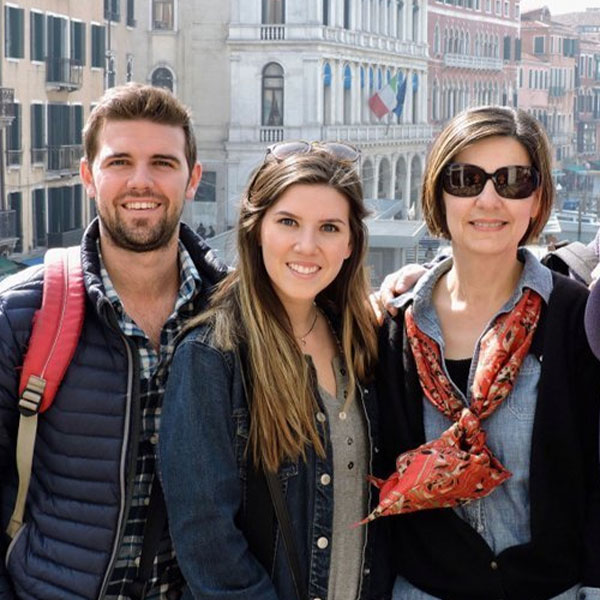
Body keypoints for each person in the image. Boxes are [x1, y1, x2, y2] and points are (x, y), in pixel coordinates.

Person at [0, 84, 228, 599]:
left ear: (192, 178)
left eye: (163, 163)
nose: (141, 182)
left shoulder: (235, 311)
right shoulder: (19, 314)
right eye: (120, 161)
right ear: (88, 176)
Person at [371, 106, 600, 600]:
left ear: (536, 200)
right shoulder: (396, 328)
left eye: (512, 180)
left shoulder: (574, 318)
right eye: (466, 179)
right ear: (439, 193)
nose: (488, 199)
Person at [159, 142, 393, 600]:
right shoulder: (212, 356)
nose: (307, 246)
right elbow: (208, 543)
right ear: (256, 230)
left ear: (350, 244)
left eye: (328, 227)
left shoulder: (363, 342)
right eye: (288, 222)